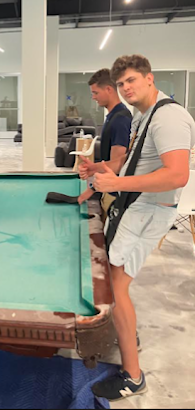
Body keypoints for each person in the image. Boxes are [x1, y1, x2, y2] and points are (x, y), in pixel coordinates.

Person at [79, 55, 195, 401]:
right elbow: (131, 162)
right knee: (116, 286)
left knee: (115, 288)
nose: (126, 88)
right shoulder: (146, 114)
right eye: (121, 84)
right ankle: (127, 336)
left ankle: (132, 375)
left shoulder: (169, 117)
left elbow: (177, 175)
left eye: (131, 80)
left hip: (148, 211)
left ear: (149, 78)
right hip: (135, 206)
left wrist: (120, 181)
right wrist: (102, 174)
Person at [77, 69, 132, 217]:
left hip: (114, 195)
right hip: (107, 191)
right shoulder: (112, 116)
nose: (93, 97)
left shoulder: (120, 119)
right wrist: (93, 168)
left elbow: (115, 165)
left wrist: (90, 190)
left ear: (108, 89)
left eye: (95, 93)